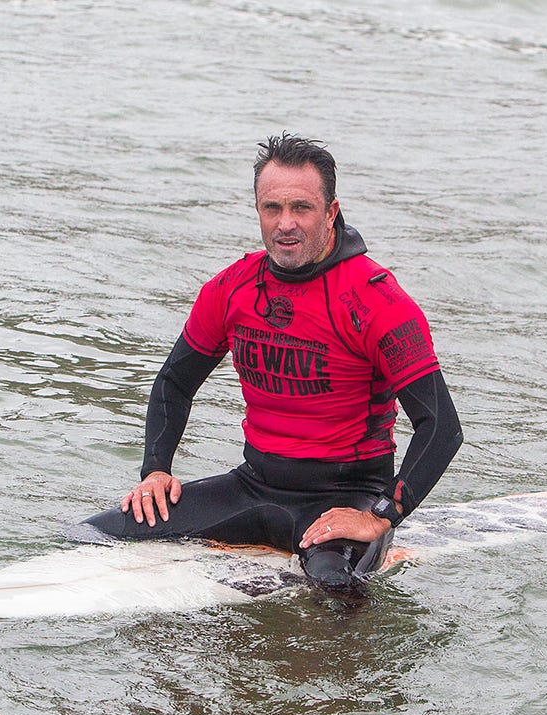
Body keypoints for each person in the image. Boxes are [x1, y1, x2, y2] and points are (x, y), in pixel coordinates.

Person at [75, 133, 462, 592]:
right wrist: (155, 470)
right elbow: (175, 382)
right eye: (272, 208)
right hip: (254, 487)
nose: (286, 224)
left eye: (302, 207)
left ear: (332, 211)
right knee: (95, 534)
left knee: (332, 584)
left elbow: (441, 427)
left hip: (346, 496)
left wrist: (380, 517)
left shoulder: (377, 300)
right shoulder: (233, 287)